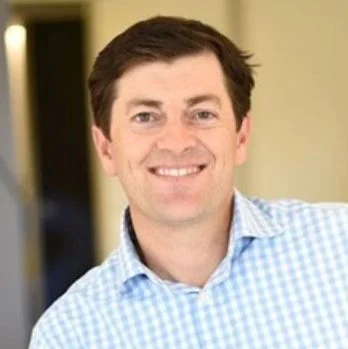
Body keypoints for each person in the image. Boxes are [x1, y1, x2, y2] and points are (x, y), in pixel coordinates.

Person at [29, 16, 348, 349]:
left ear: (241, 137)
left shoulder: (339, 247)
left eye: (202, 114)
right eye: (146, 117)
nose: (177, 142)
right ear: (106, 149)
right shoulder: (69, 335)